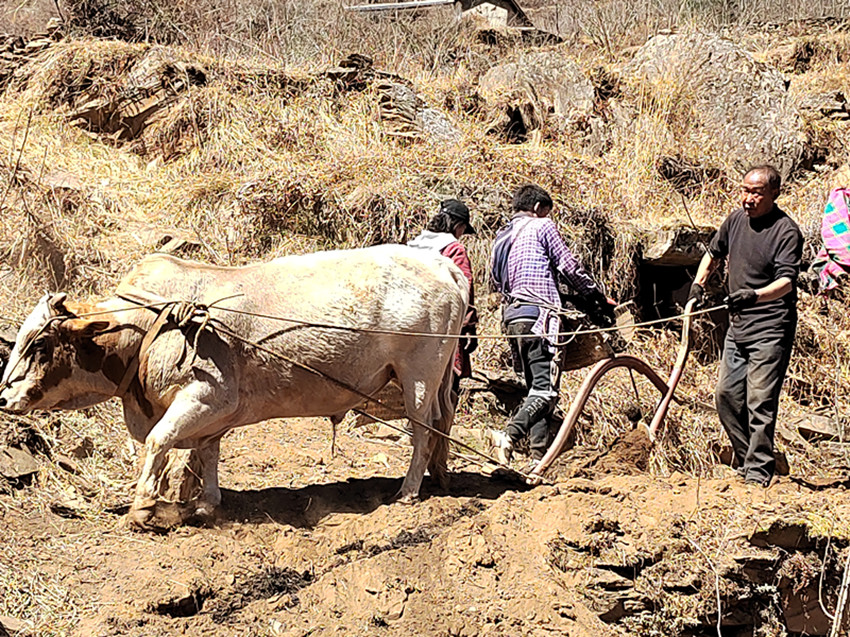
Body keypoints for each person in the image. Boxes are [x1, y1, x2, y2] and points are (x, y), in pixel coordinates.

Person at [689, 165, 802, 487]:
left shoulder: (786, 231)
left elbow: (786, 283)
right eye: (745, 190)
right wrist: (698, 284)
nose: (748, 198)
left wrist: (754, 296)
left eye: (756, 193)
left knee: (760, 401)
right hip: (739, 327)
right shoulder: (736, 220)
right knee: (726, 396)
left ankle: (758, 472)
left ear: (774, 194)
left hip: (771, 327)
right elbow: (713, 253)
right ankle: (747, 458)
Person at [490, 184, 615, 467]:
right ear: (537, 208)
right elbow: (569, 267)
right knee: (546, 392)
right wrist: (595, 297)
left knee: (536, 390)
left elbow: (497, 281)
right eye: (546, 211)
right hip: (539, 319)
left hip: (513, 318)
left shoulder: (501, 237)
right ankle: (509, 435)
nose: (547, 216)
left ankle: (538, 459)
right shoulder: (542, 226)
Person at [408, 199, 478, 398]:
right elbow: (463, 290)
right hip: (441, 328)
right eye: (463, 229)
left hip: (412, 328)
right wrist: (469, 327)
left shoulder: (413, 248)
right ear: (458, 226)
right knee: (445, 390)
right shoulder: (454, 250)